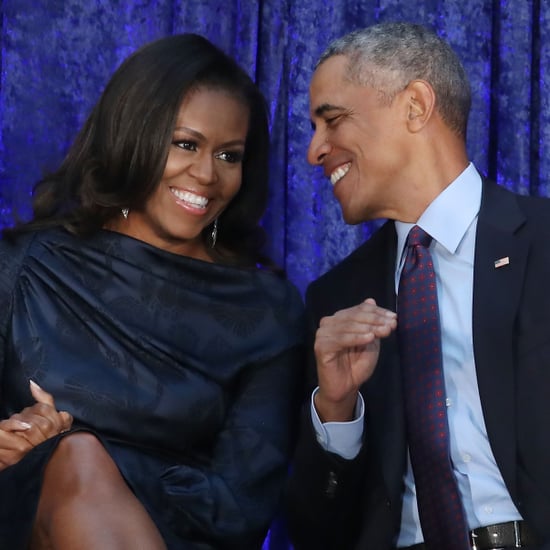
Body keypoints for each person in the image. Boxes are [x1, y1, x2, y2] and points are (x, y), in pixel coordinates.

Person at [0, 33, 304, 550]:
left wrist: (84, 444)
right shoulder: (25, 266)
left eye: (229, 156)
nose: (207, 175)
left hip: (182, 538)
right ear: (132, 136)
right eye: (185, 144)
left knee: (80, 456)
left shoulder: (266, 311)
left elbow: (241, 510)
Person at [285, 21, 550, 550]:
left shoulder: (544, 242)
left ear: (415, 105)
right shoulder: (334, 300)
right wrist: (336, 410)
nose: (315, 151)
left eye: (332, 120)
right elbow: (315, 533)